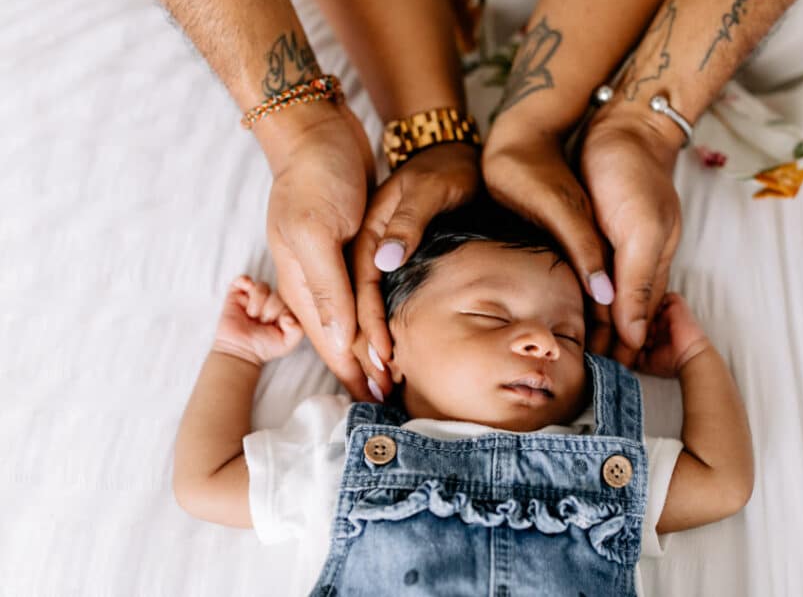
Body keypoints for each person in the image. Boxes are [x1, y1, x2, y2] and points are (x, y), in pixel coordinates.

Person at [99, 0, 803, 402]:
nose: (543, 343)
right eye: (567, 333)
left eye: (566, 332)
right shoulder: (338, 467)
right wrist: (325, 132)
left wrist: (640, 120)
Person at [172, 200, 754, 596]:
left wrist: (694, 360)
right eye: (488, 315)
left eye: (568, 334)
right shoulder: (340, 450)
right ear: (387, 340)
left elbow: (722, 482)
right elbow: (205, 482)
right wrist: (238, 354)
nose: (542, 343)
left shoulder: (605, 466)